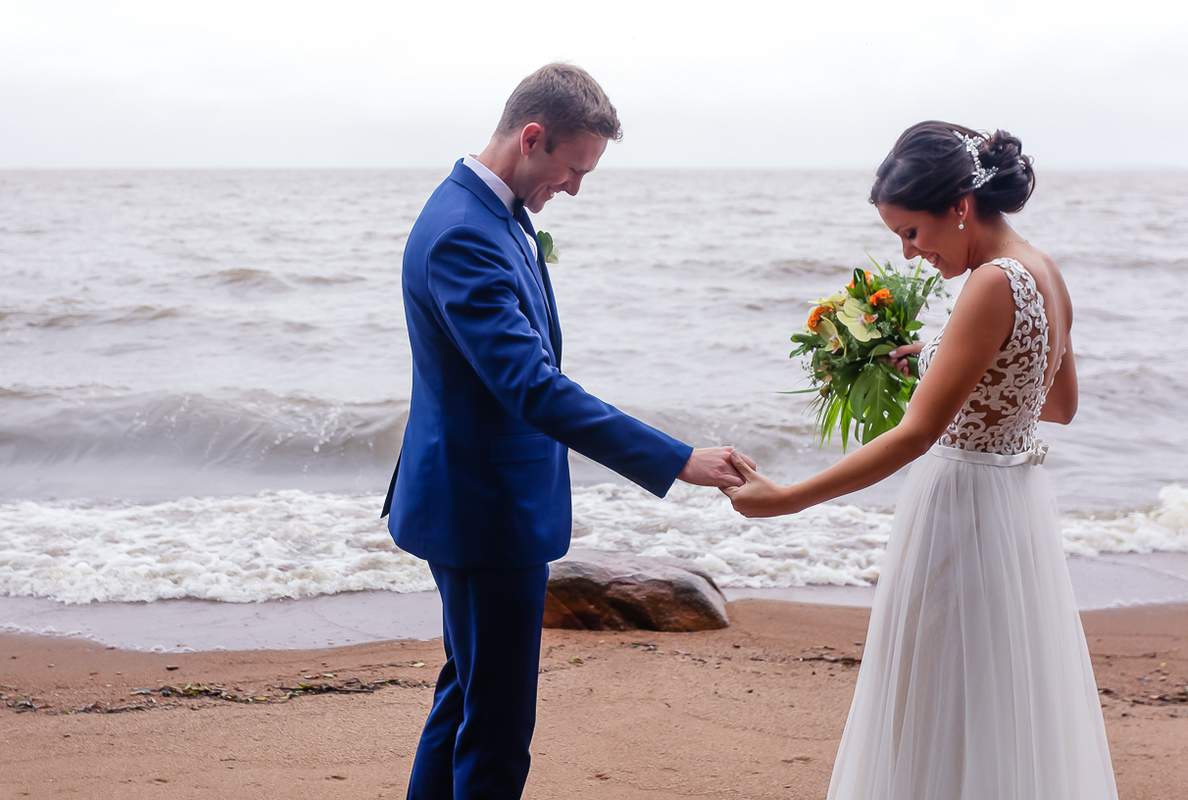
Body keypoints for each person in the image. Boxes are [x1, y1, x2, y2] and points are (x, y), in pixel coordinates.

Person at [382, 63, 746, 800]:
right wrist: (676, 459)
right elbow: (531, 388)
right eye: (573, 169)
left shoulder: (491, 213)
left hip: (476, 500)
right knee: (498, 727)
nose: (575, 188)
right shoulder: (463, 234)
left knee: (465, 700)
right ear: (533, 136)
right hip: (485, 513)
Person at [723, 121, 1118, 799]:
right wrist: (939, 361)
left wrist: (784, 498)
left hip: (959, 512)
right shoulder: (1043, 271)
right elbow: (1055, 406)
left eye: (911, 232)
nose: (909, 255)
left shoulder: (992, 284)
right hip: (1015, 513)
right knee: (995, 698)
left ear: (959, 207)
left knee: (936, 698)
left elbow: (915, 434)